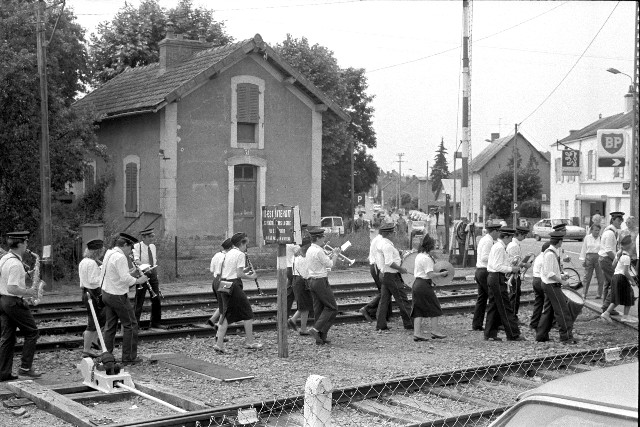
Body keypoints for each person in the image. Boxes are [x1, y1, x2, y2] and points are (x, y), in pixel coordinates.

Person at [99, 233, 148, 365]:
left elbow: (115, 274)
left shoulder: (109, 253)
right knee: (131, 325)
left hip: (106, 293)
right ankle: (129, 357)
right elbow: (125, 279)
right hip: (117, 295)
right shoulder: (120, 257)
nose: (131, 252)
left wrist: (131, 273)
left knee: (110, 326)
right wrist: (139, 280)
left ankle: (107, 355)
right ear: (125, 245)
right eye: (130, 248)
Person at [0, 231, 42, 380]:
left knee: (8, 337)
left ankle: (3, 373)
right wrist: (29, 292)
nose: (27, 246)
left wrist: (27, 275)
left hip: (3, 300)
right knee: (32, 332)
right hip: (13, 301)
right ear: (20, 244)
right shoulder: (16, 264)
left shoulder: (5, 258)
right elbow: (12, 287)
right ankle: (25, 368)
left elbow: (7, 280)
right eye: (26, 242)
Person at [215, 232, 262, 352]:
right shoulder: (240, 254)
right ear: (242, 243)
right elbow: (239, 273)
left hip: (223, 283)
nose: (247, 246)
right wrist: (253, 276)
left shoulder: (228, 252)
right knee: (248, 313)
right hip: (233, 284)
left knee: (225, 314)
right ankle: (250, 342)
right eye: (246, 243)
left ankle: (219, 344)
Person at [536, 231, 577, 344]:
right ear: (559, 241)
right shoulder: (550, 254)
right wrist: (562, 281)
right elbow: (549, 273)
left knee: (548, 311)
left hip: (549, 283)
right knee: (562, 311)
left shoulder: (550, 252)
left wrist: (561, 275)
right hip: (551, 285)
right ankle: (566, 337)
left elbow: (552, 271)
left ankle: (541, 335)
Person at [484, 227, 523, 341]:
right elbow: (497, 266)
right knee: (505, 306)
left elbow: (499, 263)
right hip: (497, 277)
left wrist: (511, 264)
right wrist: (512, 269)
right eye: (510, 238)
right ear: (506, 237)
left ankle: (490, 333)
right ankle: (513, 334)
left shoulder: (498, 246)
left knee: (494, 306)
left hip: (493, 277)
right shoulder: (500, 248)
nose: (511, 240)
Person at [374, 223, 413, 332]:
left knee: (384, 300)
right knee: (402, 299)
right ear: (388, 234)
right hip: (391, 275)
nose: (395, 233)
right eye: (393, 232)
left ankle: (380, 324)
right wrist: (401, 269)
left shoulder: (382, 243)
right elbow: (389, 262)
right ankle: (410, 323)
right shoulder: (387, 246)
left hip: (385, 274)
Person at [306, 227, 340, 345]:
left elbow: (322, 262)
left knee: (319, 309)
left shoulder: (310, 249)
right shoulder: (319, 251)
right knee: (332, 307)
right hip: (321, 281)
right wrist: (335, 254)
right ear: (318, 238)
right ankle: (316, 329)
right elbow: (330, 265)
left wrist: (329, 255)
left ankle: (320, 337)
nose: (324, 238)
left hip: (312, 280)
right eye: (323, 237)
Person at [411, 234, 447, 341]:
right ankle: (435, 331)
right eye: (434, 245)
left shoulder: (419, 255)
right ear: (430, 246)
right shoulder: (426, 259)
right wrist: (442, 274)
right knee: (435, 306)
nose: (435, 247)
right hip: (424, 285)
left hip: (417, 283)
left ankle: (417, 333)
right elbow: (430, 274)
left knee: (418, 309)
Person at [132, 228, 165, 329]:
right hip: (143, 273)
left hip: (152, 273)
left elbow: (153, 260)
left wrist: (154, 271)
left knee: (156, 298)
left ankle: (155, 322)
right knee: (139, 300)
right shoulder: (137, 246)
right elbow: (136, 260)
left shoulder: (153, 246)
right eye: (150, 237)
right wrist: (145, 266)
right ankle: (135, 324)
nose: (152, 238)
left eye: (152, 236)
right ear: (144, 237)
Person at [471, 223, 501, 331]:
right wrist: (496, 259)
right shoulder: (488, 241)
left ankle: (477, 324)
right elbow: (484, 257)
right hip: (485, 271)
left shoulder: (485, 239)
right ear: (494, 231)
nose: (499, 234)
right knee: (493, 297)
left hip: (480, 270)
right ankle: (494, 324)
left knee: (482, 299)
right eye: (498, 232)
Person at [79, 239, 105, 358]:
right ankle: (86, 349)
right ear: (98, 252)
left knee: (99, 319)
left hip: (86, 292)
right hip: (92, 293)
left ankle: (92, 341)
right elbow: (93, 281)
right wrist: (103, 274)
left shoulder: (84, 261)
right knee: (93, 322)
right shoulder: (92, 263)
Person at [601, 235, 637, 323]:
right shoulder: (626, 257)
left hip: (616, 277)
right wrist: (632, 281)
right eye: (632, 243)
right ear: (629, 245)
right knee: (629, 296)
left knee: (618, 297)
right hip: (621, 278)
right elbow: (625, 272)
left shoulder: (619, 253)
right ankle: (624, 316)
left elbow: (613, 265)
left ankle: (607, 313)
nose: (633, 245)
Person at [359, 226, 391, 322]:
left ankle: (384, 315)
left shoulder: (377, 239)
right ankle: (367, 309)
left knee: (385, 291)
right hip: (377, 267)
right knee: (384, 291)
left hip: (376, 266)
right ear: (386, 233)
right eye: (391, 232)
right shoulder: (381, 241)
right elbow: (381, 257)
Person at [599, 212, 625, 314]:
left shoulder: (610, 231)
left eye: (621, 221)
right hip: (607, 259)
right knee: (616, 284)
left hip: (604, 259)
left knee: (608, 284)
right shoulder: (610, 233)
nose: (620, 223)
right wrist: (617, 261)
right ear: (613, 220)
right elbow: (609, 250)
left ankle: (606, 306)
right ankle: (606, 307)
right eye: (618, 220)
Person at [207, 238, 233, 332]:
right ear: (231, 247)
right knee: (225, 308)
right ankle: (219, 330)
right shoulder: (229, 256)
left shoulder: (216, 255)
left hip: (215, 281)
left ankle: (213, 320)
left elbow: (211, 270)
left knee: (223, 305)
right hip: (224, 281)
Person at [288, 236, 313, 335]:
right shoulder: (305, 257)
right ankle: (302, 328)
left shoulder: (296, 255)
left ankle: (293, 320)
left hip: (296, 280)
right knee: (305, 306)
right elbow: (308, 272)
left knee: (303, 305)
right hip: (302, 281)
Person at [506, 226, 532, 319]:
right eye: (524, 236)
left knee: (515, 295)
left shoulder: (514, 244)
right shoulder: (514, 245)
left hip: (514, 274)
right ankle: (512, 317)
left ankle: (512, 316)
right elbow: (514, 262)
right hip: (513, 275)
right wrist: (525, 264)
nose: (524, 238)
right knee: (514, 296)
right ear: (519, 234)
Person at [529, 242, 551, 331]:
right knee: (548, 303)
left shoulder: (538, 257)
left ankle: (534, 322)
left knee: (538, 303)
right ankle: (546, 323)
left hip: (535, 279)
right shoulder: (545, 258)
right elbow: (548, 272)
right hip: (542, 280)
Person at [579, 224, 604, 299]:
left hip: (599, 257)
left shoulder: (601, 238)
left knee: (600, 276)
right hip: (589, 257)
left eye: (598, 230)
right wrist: (583, 259)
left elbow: (603, 249)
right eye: (595, 230)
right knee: (587, 276)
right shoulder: (587, 237)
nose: (597, 232)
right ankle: (584, 293)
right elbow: (584, 248)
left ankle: (599, 293)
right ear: (591, 230)